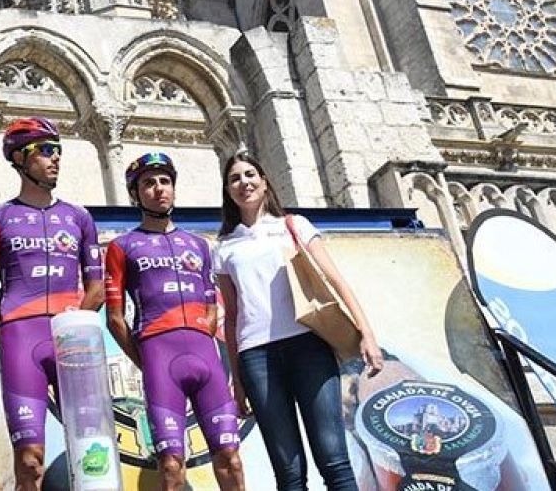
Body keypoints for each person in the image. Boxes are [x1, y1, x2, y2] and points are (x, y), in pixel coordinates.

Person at [214, 151, 381, 491]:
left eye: (250, 175)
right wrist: (238, 380)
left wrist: (367, 334)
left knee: (334, 460)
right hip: (256, 357)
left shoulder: (294, 226)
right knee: (289, 473)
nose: (243, 183)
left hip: (308, 346)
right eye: (235, 179)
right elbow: (232, 317)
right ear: (228, 192)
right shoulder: (224, 248)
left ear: (264, 182)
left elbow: (337, 281)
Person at [0, 117, 104, 491]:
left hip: (72, 341)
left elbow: (95, 288)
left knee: (93, 454)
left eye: (58, 150)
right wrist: (10, 338)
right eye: (46, 150)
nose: (55, 158)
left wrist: (73, 326)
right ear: (20, 157)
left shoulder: (79, 217)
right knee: (29, 462)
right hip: (21, 340)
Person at [105, 153, 245, 491]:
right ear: (136, 194)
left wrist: (200, 333)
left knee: (231, 458)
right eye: (148, 183)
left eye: (165, 181)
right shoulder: (122, 246)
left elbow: (212, 307)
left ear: (174, 189)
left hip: (205, 358)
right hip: (159, 359)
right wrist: (147, 359)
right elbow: (114, 318)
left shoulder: (198, 244)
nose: (158, 189)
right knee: (170, 466)